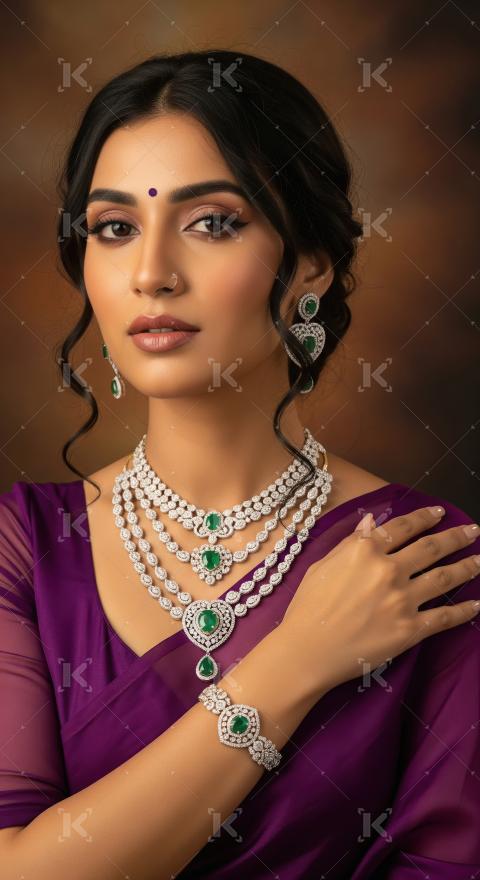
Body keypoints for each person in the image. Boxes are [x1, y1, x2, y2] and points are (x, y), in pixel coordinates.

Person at [0, 49, 479, 879]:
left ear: (312, 266)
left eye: (213, 222)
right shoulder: (27, 546)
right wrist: (295, 664)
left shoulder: (424, 560)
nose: (151, 273)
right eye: (115, 228)